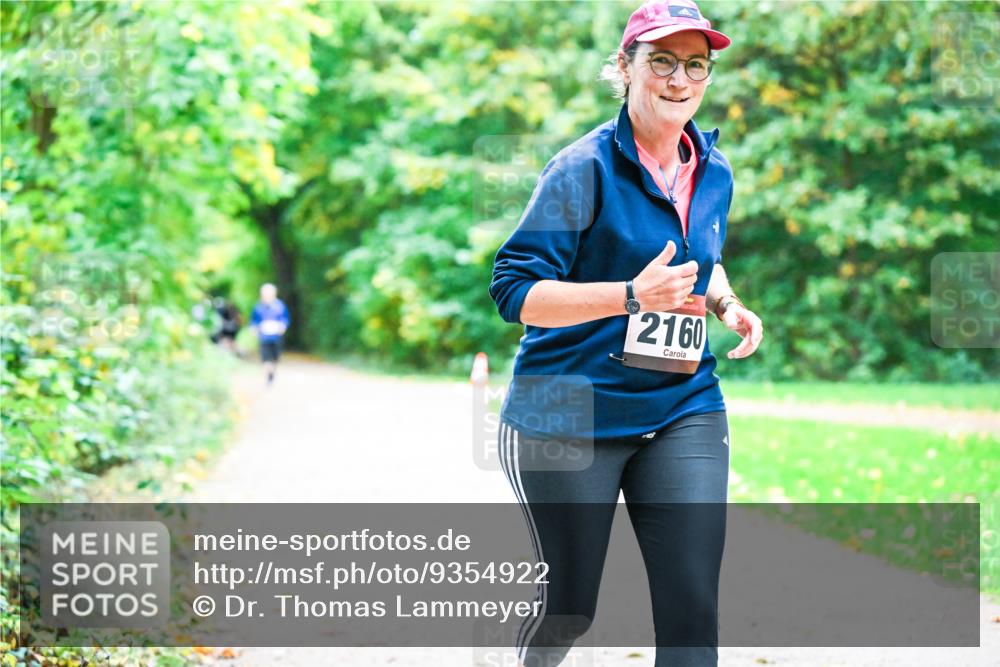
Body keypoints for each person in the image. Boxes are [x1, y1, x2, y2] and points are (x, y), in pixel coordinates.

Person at [488, 1, 763, 666]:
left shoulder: (714, 170)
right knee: (569, 610)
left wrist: (725, 302)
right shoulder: (580, 169)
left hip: (681, 405)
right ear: (626, 67)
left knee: (691, 605)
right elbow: (515, 291)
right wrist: (630, 295)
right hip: (569, 412)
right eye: (661, 61)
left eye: (695, 65)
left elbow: (700, 258)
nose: (679, 79)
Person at [250, 283, 290, 386]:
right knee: (265, 358)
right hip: (264, 337)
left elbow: (285, 319)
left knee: (275, 358)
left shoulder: (280, 306)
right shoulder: (258, 307)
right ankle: (268, 377)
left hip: (276, 337)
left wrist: (283, 326)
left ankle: (272, 374)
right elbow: (254, 321)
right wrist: (254, 329)